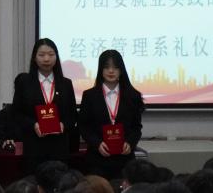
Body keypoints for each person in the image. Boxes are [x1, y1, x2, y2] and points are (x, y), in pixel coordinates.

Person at [11, 38, 77, 173]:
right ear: (34, 58)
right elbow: (16, 113)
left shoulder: (66, 84)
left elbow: (73, 115)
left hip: (59, 148)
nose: (46, 59)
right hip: (34, 148)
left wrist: (63, 125)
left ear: (56, 57)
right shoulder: (24, 82)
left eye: (51, 54)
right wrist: (33, 125)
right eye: (41, 55)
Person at [78, 49, 143, 180]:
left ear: (121, 70)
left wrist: (130, 143)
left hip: (124, 161)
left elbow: (137, 127)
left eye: (115, 67)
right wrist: (97, 144)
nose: (111, 71)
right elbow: (83, 126)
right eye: (107, 67)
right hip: (97, 160)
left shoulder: (133, 95)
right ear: (100, 70)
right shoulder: (89, 95)